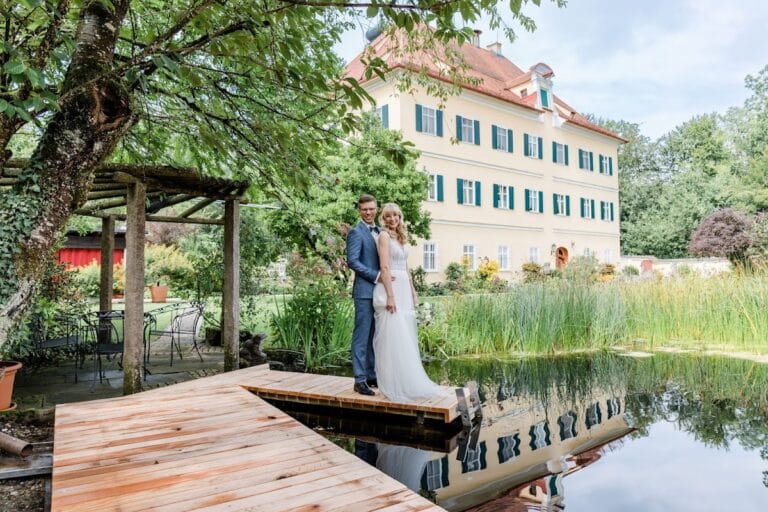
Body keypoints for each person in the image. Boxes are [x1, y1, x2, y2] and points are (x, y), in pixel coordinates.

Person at [373, 203, 448, 402]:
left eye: (395, 215)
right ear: (384, 218)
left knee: (405, 333)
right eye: (388, 216)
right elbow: (384, 266)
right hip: (392, 286)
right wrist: (390, 295)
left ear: (400, 217)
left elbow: (406, 268)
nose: (392, 219)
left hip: (404, 288)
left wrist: (413, 292)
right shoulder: (384, 236)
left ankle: (408, 379)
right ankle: (393, 383)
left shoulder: (401, 236)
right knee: (392, 334)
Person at [346, 194, 381, 395]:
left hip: (380, 293)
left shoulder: (381, 231)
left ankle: (370, 375)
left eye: (371, 209)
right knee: (361, 335)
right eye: (364, 209)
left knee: (373, 336)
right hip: (364, 292)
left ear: (376, 209)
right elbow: (353, 262)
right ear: (359, 211)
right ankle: (359, 380)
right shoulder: (355, 232)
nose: (368, 212)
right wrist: (376, 276)